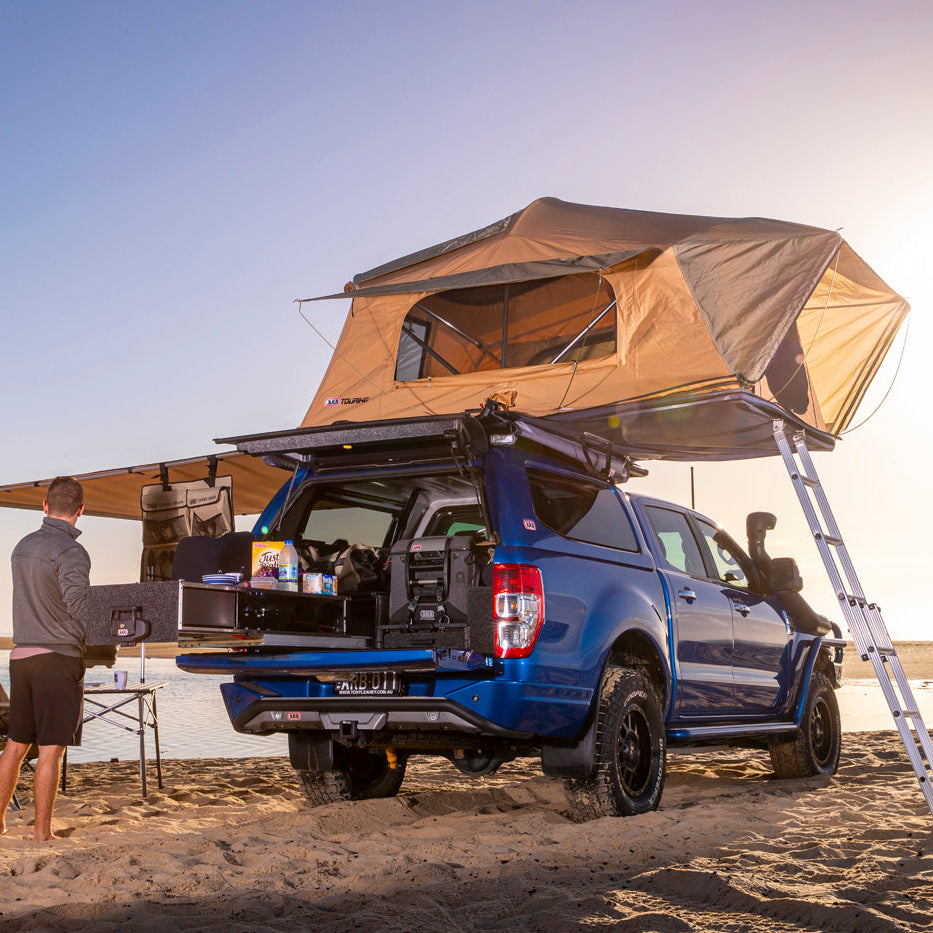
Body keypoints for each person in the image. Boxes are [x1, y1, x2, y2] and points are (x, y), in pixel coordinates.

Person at [0, 476, 90, 841]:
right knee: (51, 751)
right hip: (57, 658)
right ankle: (41, 834)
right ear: (82, 510)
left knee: (16, 746)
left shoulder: (22, 546)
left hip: (21, 657)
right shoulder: (71, 552)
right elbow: (79, 605)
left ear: (45, 506)